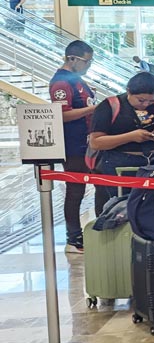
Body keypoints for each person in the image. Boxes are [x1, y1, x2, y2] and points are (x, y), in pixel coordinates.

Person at [88, 72, 154, 217]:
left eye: (150, 101)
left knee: (153, 210)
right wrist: (130, 137)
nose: (145, 105)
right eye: (141, 100)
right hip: (118, 162)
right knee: (119, 210)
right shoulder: (109, 106)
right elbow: (96, 142)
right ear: (129, 91)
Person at [49, 41, 97, 253]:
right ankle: (74, 238)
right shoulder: (61, 83)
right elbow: (61, 114)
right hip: (73, 145)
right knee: (75, 190)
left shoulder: (76, 80)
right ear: (72, 59)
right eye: (87, 61)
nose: (89, 65)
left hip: (87, 142)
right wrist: (93, 109)